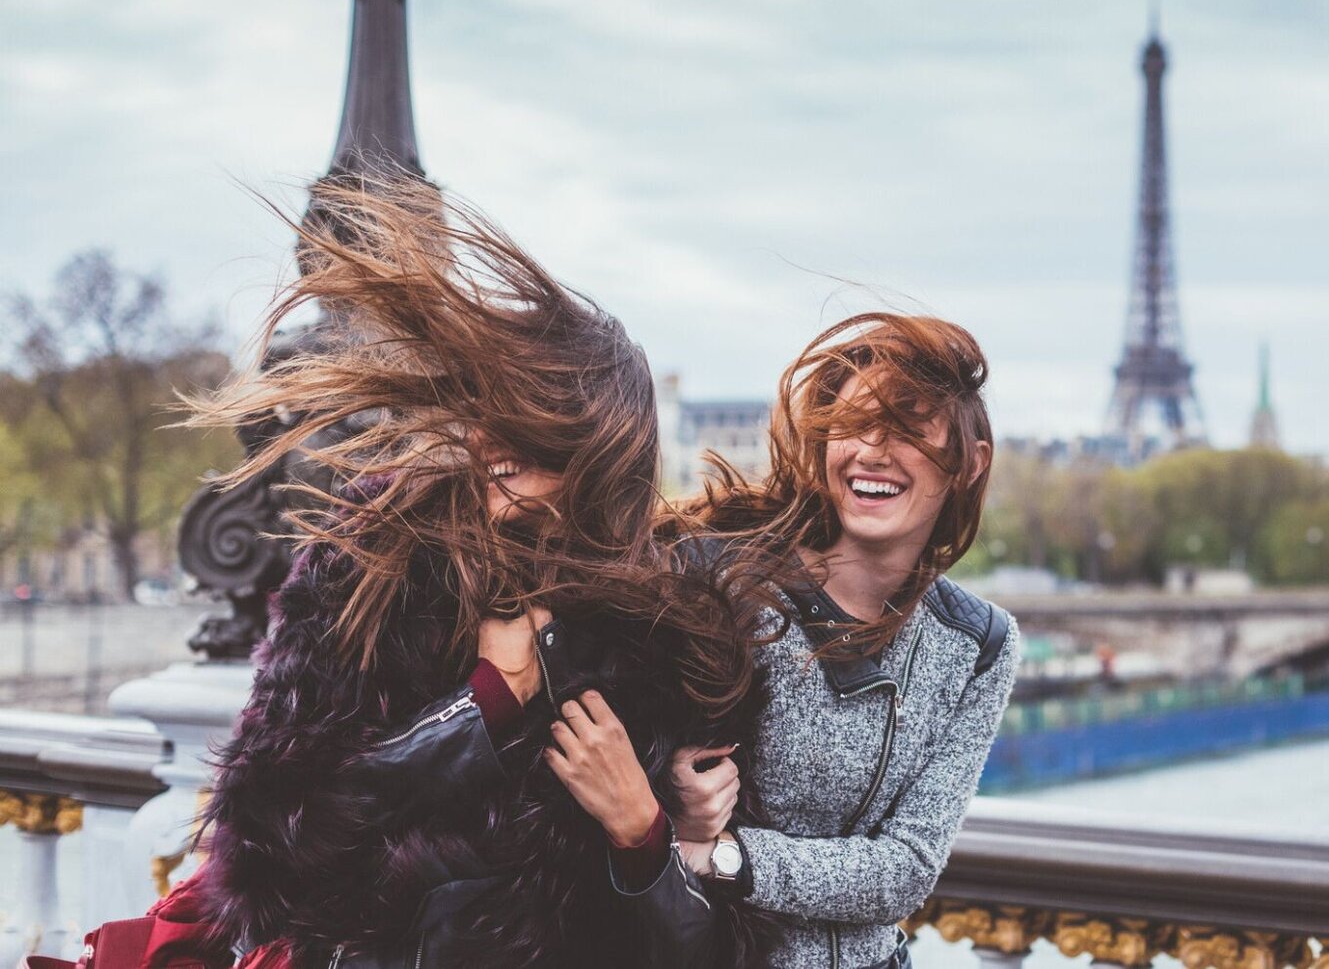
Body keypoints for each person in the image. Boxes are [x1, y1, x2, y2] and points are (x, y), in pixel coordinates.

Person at [156, 178, 763, 969]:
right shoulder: (368, 565)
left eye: (539, 427)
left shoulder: (669, 640)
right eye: (492, 407)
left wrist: (647, 829)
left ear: (600, 453)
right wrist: (482, 705)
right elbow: (266, 851)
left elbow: (701, 953)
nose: (499, 440)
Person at [667, 313, 1022, 969]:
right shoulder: (719, 583)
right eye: (854, 424)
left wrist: (727, 855)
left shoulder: (980, 645)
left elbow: (909, 867)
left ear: (970, 464)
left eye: (910, 427)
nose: (873, 449)